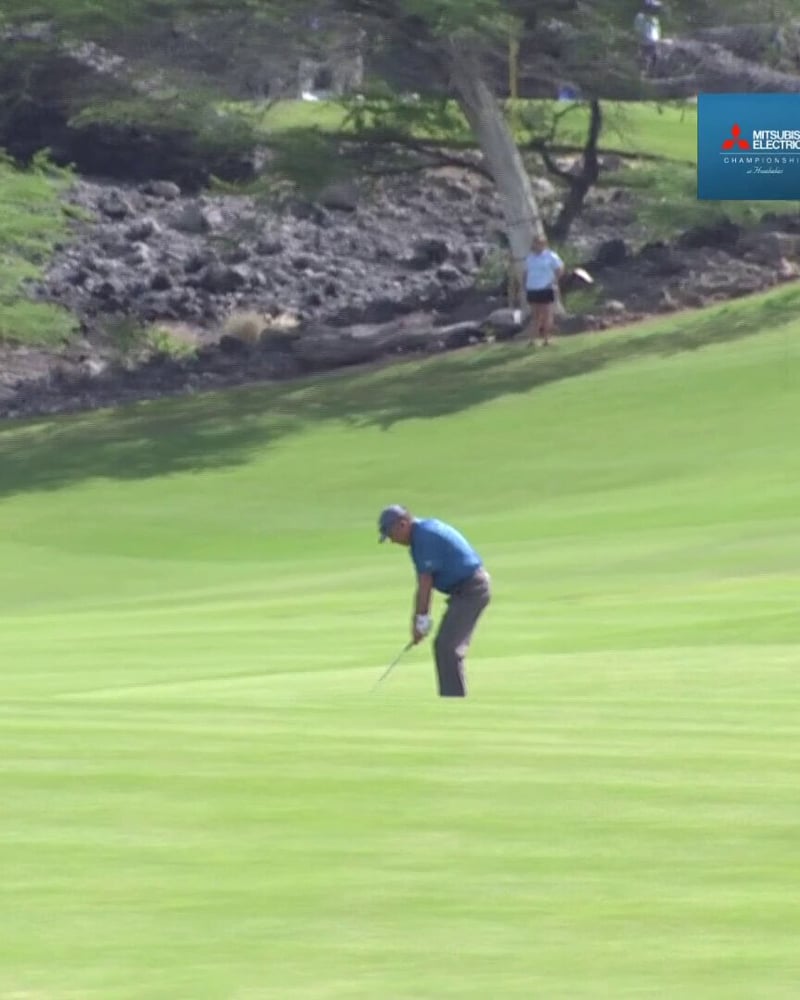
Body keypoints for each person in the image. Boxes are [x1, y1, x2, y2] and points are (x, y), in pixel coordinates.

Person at [378, 504, 491, 698]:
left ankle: (454, 700)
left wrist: (421, 621)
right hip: (463, 591)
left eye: (391, 535)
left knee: (447, 647)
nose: (393, 541)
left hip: (472, 589)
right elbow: (422, 584)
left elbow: (425, 584)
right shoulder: (419, 537)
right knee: (444, 646)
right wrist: (419, 620)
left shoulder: (424, 538)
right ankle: (452, 697)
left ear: (403, 524)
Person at [523, 234, 565, 347]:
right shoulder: (530, 257)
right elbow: (526, 273)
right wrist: (525, 286)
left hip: (545, 287)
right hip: (532, 288)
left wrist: (553, 281)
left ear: (545, 244)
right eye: (536, 243)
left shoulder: (551, 256)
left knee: (547, 314)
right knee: (535, 315)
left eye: (540, 243)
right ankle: (532, 340)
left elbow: (560, 269)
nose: (538, 245)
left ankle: (547, 339)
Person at [634, 0, 662, 77]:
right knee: (645, 59)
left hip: (652, 43)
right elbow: (639, 30)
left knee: (655, 58)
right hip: (646, 42)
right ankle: (642, 76)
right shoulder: (641, 17)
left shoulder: (653, 18)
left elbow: (655, 32)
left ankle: (652, 75)